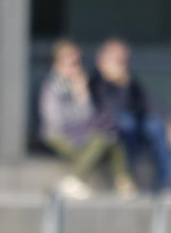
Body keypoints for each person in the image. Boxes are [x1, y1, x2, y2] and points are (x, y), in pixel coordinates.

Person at [39, 39, 136, 199]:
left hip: (80, 133)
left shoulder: (81, 84)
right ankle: (73, 179)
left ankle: (123, 181)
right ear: (58, 64)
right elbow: (55, 122)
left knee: (112, 139)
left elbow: (90, 115)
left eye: (79, 62)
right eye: (72, 63)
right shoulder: (52, 86)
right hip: (59, 135)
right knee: (101, 139)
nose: (77, 67)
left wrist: (82, 94)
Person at [90, 37, 171, 192]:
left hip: (136, 129)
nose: (123, 65)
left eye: (125, 61)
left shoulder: (128, 81)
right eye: (119, 61)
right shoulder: (96, 82)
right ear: (102, 61)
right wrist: (121, 85)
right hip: (113, 133)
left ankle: (165, 182)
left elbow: (149, 101)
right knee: (126, 122)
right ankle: (127, 175)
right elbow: (111, 111)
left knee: (155, 124)